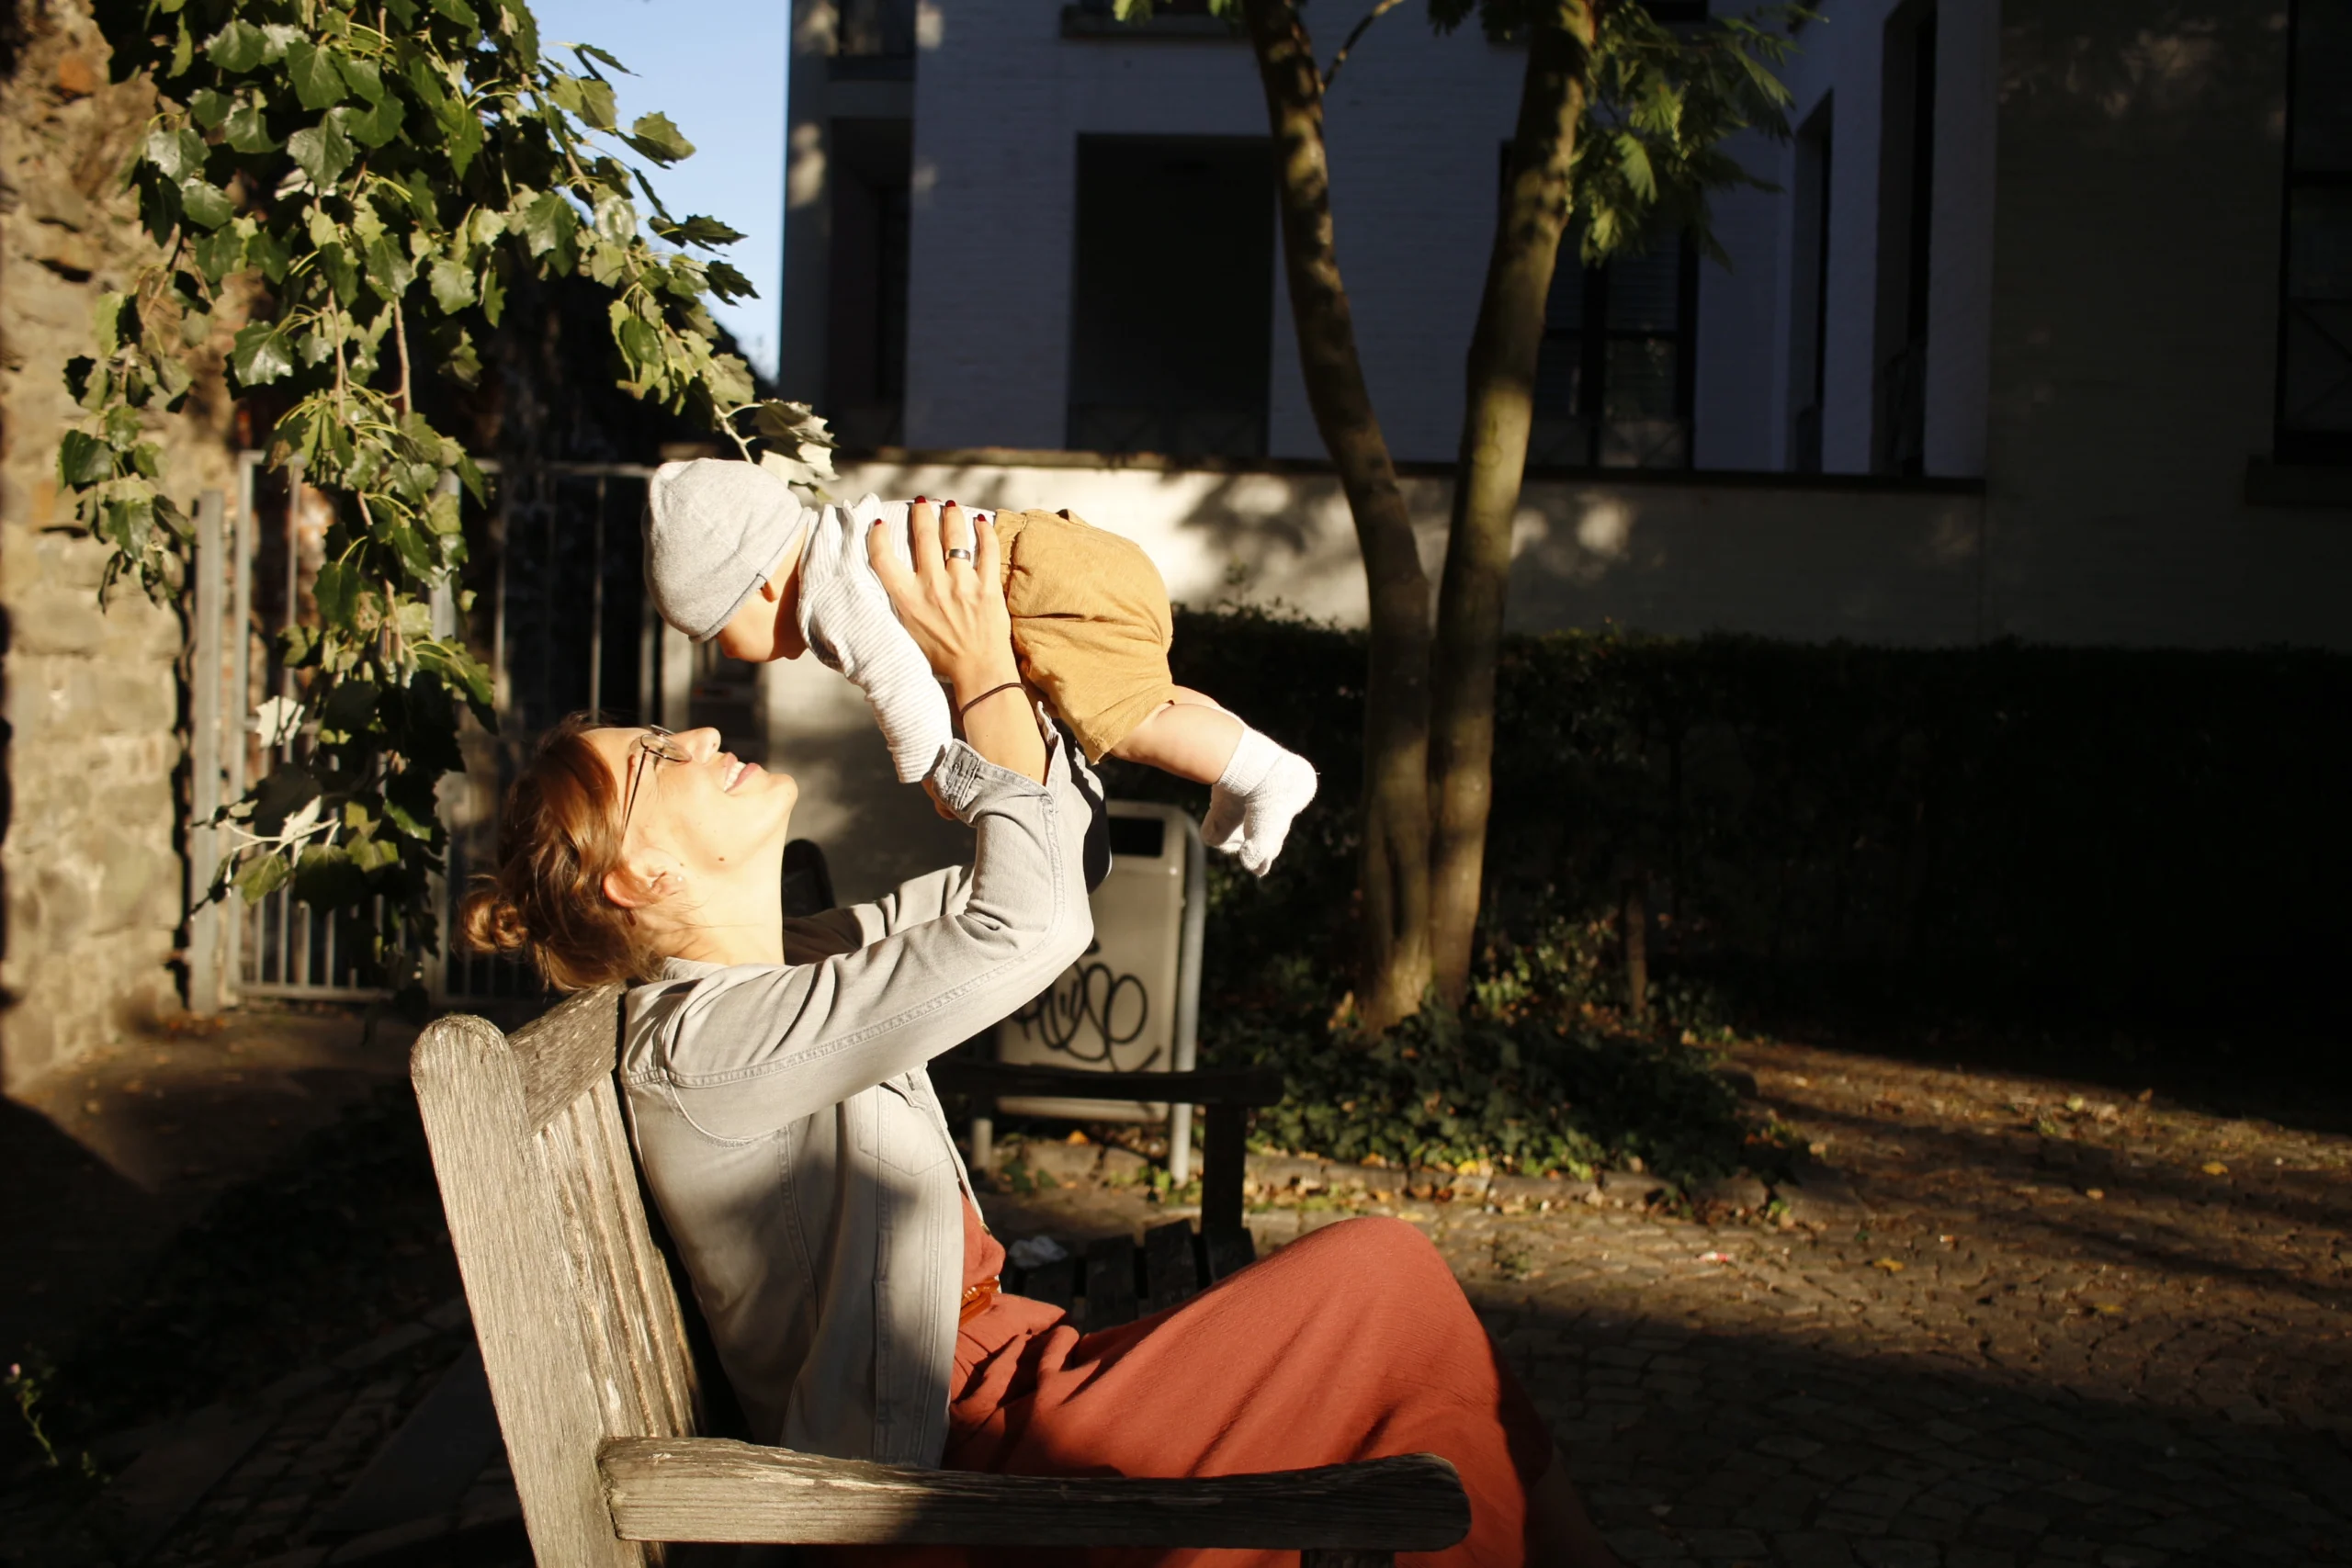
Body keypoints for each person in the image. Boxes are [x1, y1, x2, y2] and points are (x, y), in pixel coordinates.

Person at [462, 502, 1620, 1567]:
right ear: (641, 873)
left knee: (1411, 1345)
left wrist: (1016, 672)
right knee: (1387, 1278)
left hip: (1015, 1383)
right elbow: (1032, 920)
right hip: (949, 1470)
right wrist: (968, 677)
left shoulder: (804, 962)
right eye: (657, 760)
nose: (701, 741)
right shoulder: (706, 1048)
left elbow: (1065, 871)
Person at [641, 458, 1318, 874]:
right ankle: (1235, 772)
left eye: (718, 631)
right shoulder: (841, 539)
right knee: (1147, 698)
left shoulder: (827, 590)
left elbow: (899, 683)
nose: (727, 653)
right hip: (1072, 555)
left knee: (1130, 723)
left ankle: (1267, 773)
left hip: (1043, 584)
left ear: (762, 583)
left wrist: (940, 775)